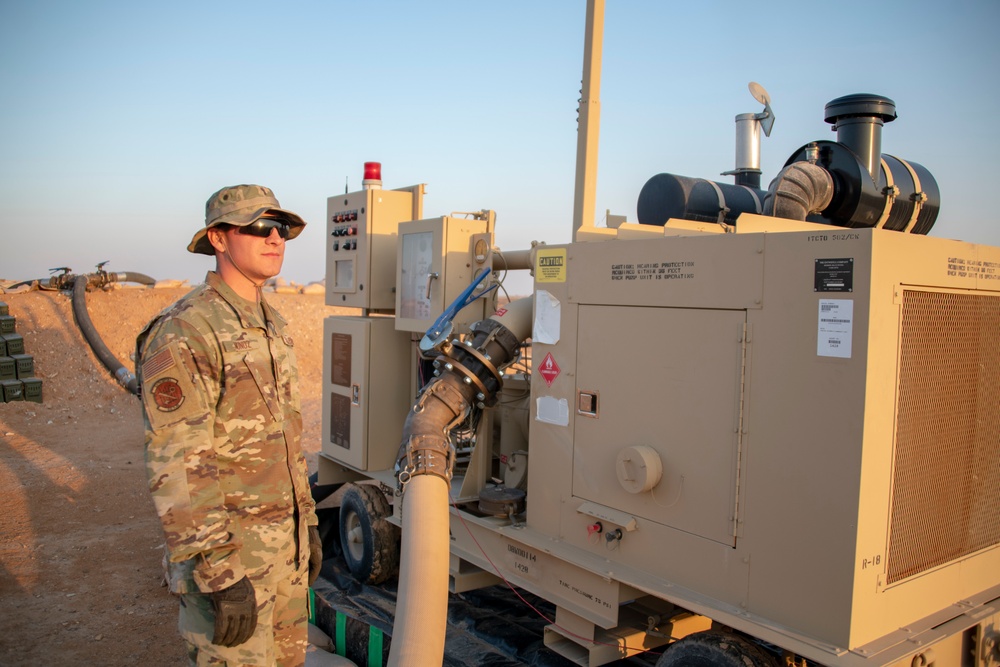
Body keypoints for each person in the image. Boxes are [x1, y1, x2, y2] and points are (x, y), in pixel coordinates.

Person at [136, 184, 323, 666]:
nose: (274, 238)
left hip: (285, 556)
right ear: (218, 239)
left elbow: (284, 438)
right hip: (233, 564)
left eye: (280, 228)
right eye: (258, 226)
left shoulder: (271, 324)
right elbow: (179, 464)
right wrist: (219, 571)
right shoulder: (185, 330)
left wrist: (309, 524)